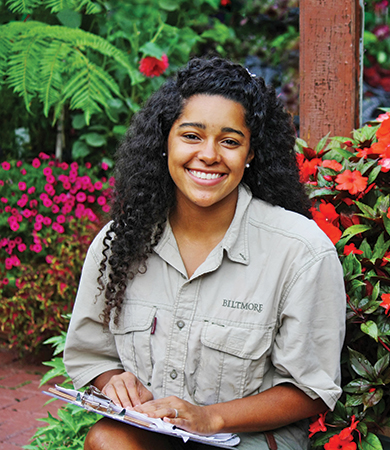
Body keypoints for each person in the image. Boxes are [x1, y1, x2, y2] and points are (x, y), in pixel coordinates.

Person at [63, 57, 346, 450]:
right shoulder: (123, 240)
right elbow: (90, 352)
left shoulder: (300, 251)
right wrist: (113, 380)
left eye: (230, 141)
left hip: (248, 440)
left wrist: (210, 417)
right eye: (191, 136)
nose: (209, 154)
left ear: (251, 153)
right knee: (107, 440)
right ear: (165, 141)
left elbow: (310, 389)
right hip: (153, 435)